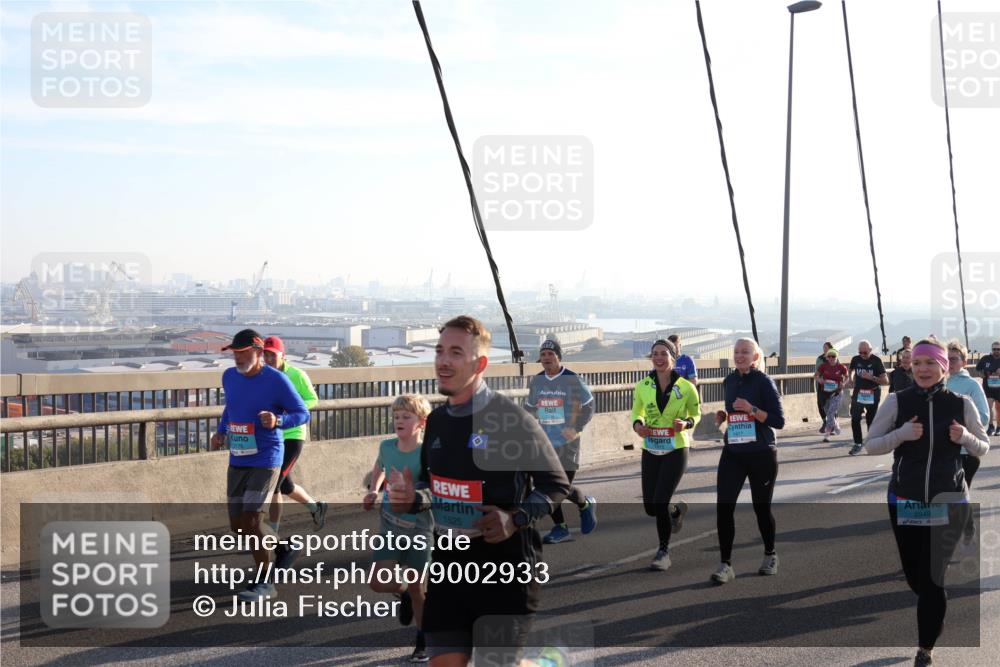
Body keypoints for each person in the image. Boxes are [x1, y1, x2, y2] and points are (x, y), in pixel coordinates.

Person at [388, 316, 570, 666]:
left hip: (505, 574)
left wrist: (514, 518)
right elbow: (431, 486)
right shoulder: (438, 421)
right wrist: (413, 497)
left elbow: (555, 485)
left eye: (456, 352)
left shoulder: (511, 419)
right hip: (449, 571)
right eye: (440, 350)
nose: (443, 360)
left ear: (480, 363)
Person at [862, 338, 989, 667]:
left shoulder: (961, 403)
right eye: (917, 363)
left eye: (930, 363)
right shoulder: (897, 401)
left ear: (944, 366)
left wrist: (964, 438)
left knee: (933, 580)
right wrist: (900, 435)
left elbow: (983, 447)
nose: (922, 369)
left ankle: (925, 648)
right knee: (916, 579)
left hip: (949, 500)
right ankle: (934, 609)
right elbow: (871, 445)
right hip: (905, 499)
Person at [210, 329, 309, 601]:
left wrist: (278, 421)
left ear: (258, 352)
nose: (238, 358)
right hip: (238, 458)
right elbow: (231, 408)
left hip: (267, 458)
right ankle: (285, 548)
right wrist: (221, 431)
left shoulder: (276, 380)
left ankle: (266, 583)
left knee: (253, 520)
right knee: (239, 525)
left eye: (243, 353)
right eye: (235, 353)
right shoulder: (229, 377)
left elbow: (303, 413)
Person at [364, 394, 434, 663]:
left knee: (419, 588)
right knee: (377, 582)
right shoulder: (386, 446)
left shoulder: (427, 452)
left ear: (421, 422)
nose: (399, 421)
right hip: (390, 523)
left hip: (419, 526)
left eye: (406, 417)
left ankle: (423, 638)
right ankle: (402, 592)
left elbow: (435, 486)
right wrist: (373, 491)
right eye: (396, 417)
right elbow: (379, 466)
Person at [710, 338, 785, 584]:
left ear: (755, 357)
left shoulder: (764, 381)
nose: (740, 356)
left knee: (761, 509)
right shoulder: (730, 380)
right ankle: (725, 564)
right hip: (733, 451)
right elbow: (734, 411)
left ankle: (770, 554)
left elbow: (778, 420)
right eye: (736, 352)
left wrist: (752, 409)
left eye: (745, 352)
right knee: (724, 507)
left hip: (761, 453)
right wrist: (725, 415)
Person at [630, 339, 701, 571]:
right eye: (655, 354)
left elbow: (696, 413)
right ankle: (675, 511)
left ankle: (663, 551)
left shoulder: (686, 387)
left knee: (659, 501)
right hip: (651, 447)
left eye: (663, 354)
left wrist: (687, 423)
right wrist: (638, 426)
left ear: (673, 358)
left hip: (676, 448)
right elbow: (636, 413)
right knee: (651, 507)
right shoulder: (642, 386)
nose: (659, 358)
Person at [524, 339, 598, 544]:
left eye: (551, 354)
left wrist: (576, 428)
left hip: (568, 441)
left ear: (559, 356)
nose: (546, 358)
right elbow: (529, 407)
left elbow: (589, 405)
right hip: (545, 441)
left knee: (561, 486)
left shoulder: (572, 379)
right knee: (546, 487)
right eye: (543, 355)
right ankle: (561, 527)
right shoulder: (537, 381)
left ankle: (584, 504)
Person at [262, 336, 327, 545]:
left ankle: (272, 534)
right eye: (266, 354)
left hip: (293, 435)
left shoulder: (296, 375)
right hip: (273, 436)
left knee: (275, 484)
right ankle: (316, 507)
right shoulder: (263, 376)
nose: (269, 358)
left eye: (273, 354)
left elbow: (312, 399)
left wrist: (291, 412)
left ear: (283, 355)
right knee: (286, 485)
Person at [847, 340, 889, 456]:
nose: (862, 355)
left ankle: (871, 444)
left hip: (873, 393)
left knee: (871, 421)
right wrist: (850, 379)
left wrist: (871, 377)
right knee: (855, 418)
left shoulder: (876, 361)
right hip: (859, 393)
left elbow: (885, 381)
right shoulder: (856, 359)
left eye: (865, 353)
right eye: (860, 352)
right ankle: (858, 444)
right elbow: (850, 369)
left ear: (870, 350)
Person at [814, 348, 848, 442]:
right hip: (825, 394)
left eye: (833, 356)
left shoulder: (841, 367)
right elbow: (816, 375)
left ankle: (827, 434)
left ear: (837, 357)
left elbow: (847, 377)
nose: (831, 358)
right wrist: (819, 380)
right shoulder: (823, 366)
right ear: (827, 358)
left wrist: (844, 383)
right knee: (828, 412)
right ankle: (836, 424)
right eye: (829, 356)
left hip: (837, 393)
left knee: (830, 412)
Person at [975, 340, 1000, 436]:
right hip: (988, 387)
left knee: (998, 408)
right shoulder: (985, 359)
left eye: (998, 349)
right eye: (994, 349)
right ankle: (990, 426)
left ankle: (998, 427)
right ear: (991, 349)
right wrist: (982, 374)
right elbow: (978, 370)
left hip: (999, 388)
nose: (996, 351)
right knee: (989, 406)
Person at [815, 342, 833, 422]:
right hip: (821, 384)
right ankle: (824, 421)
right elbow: (816, 372)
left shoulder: (834, 358)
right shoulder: (820, 358)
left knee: (831, 404)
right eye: (824, 347)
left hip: (832, 385)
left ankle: (832, 423)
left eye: (826, 347)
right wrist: (819, 379)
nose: (824, 349)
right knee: (820, 403)